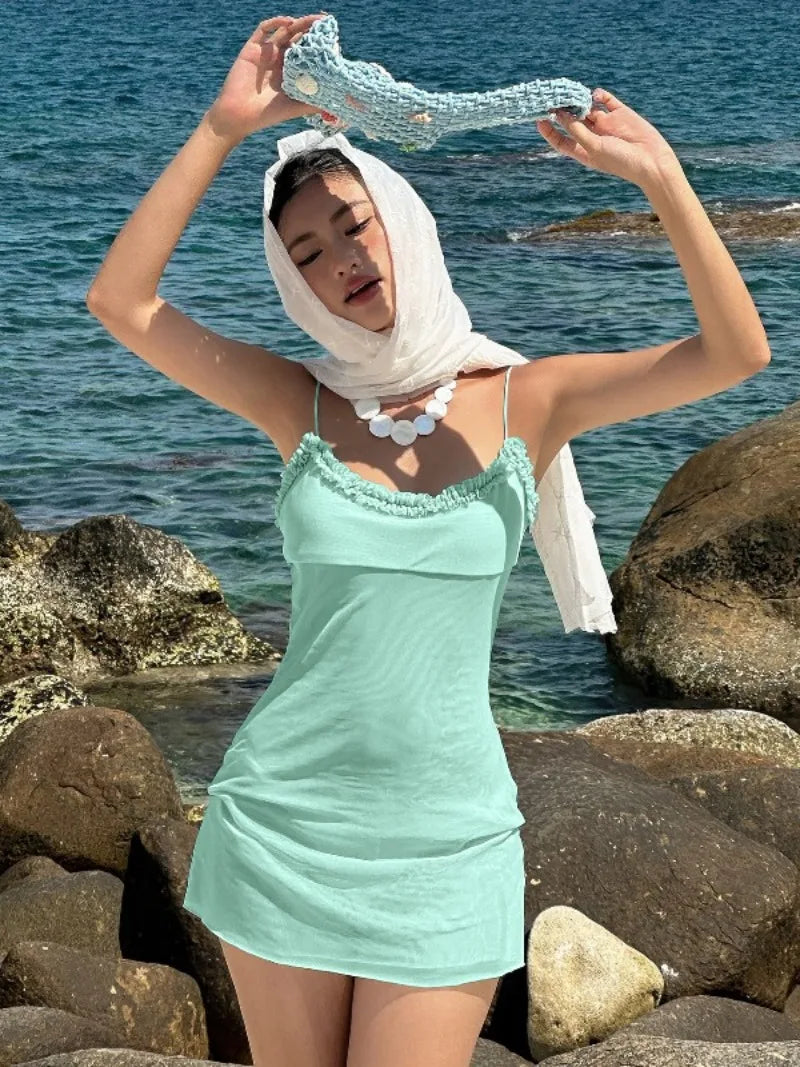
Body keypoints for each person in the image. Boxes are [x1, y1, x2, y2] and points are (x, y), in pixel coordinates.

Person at [85, 13, 771, 1067]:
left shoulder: (525, 400)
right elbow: (120, 301)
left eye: (352, 225)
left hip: (445, 840)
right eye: (304, 252)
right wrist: (221, 130)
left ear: (399, 219)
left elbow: (732, 352)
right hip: (284, 819)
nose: (339, 260)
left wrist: (665, 183)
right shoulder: (299, 406)